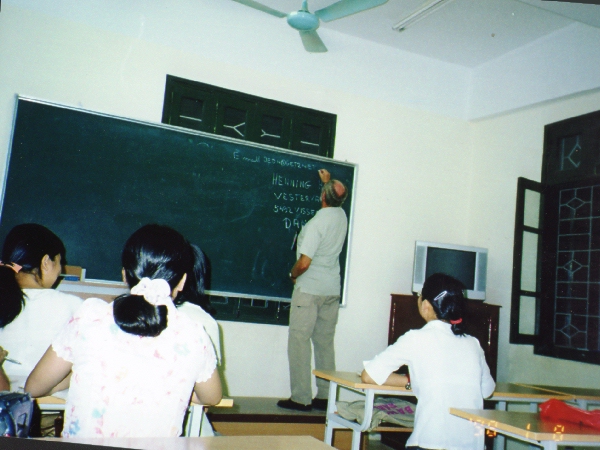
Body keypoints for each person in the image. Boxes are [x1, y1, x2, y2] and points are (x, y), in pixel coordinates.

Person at [25, 224, 222, 437]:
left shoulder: (90, 315)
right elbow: (212, 398)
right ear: (182, 281)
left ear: (125, 276)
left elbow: (33, 388)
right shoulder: (193, 334)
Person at [361, 273, 496, 450]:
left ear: (425, 305)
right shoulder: (473, 343)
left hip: (429, 444)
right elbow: (487, 390)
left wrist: (409, 382)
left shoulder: (416, 338)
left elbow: (369, 375)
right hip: (472, 445)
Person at [277, 169, 349, 412]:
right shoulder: (341, 216)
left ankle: (300, 397)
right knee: (324, 343)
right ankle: (326, 396)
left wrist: (292, 274)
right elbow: (333, 200)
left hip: (309, 291)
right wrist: (327, 184)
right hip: (331, 290)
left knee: (299, 341)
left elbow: (305, 262)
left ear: (322, 197)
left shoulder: (316, 223)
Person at [0, 223, 82, 391]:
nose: (61, 270)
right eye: (59, 262)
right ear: (46, 262)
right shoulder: (74, 305)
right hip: (52, 403)